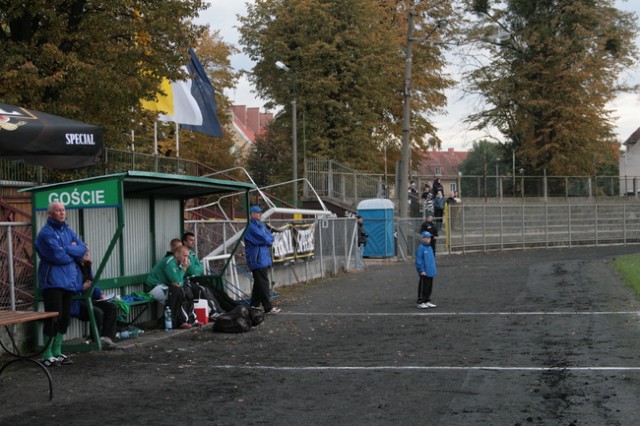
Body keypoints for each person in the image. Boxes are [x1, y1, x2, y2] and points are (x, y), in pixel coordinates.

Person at [34, 201, 88, 366]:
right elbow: (57, 256)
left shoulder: (68, 229)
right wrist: (72, 251)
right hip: (52, 281)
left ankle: (57, 351)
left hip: (69, 280)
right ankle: (47, 354)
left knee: (65, 317)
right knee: (53, 317)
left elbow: (83, 248)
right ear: (50, 214)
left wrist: (66, 248)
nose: (62, 213)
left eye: (63, 210)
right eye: (58, 210)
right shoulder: (45, 234)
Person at [72, 250, 119, 349]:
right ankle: (95, 340)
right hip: (76, 301)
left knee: (111, 307)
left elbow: (93, 283)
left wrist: (100, 294)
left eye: (88, 250)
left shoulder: (87, 266)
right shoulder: (72, 266)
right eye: (84, 250)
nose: (87, 252)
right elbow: (71, 286)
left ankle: (107, 338)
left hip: (88, 299)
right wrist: (82, 287)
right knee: (97, 312)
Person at [146, 245, 197, 328]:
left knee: (187, 289)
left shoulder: (179, 262)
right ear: (177, 254)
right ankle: (178, 321)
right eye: (184, 255)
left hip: (165, 286)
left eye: (187, 256)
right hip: (154, 288)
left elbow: (192, 273)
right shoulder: (170, 262)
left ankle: (190, 319)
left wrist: (186, 267)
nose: (186, 258)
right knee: (178, 292)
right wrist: (183, 268)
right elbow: (178, 281)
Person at [244, 205, 281, 314]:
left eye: (260, 212)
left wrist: (267, 238)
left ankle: (254, 305)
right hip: (257, 259)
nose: (260, 214)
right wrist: (267, 238)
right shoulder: (250, 226)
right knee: (263, 283)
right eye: (258, 212)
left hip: (262, 258)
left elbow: (270, 237)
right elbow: (264, 238)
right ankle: (268, 307)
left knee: (259, 282)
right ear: (252, 214)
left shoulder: (260, 225)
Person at [415, 231, 437, 309]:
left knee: (429, 287)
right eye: (427, 238)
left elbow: (432, 260)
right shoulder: (421, 248)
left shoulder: (430, 247)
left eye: (429, 238)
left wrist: (433, 269)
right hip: (424, 272)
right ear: (423, 238)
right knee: (423, 287)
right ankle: (420, 301)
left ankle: (427, 300)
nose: (429, 239)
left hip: (430, 271)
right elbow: (419, 261)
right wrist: (421, 270)